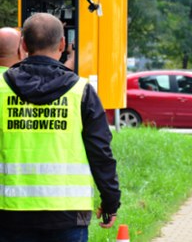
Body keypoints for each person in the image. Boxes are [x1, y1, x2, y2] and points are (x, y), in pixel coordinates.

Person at [0, 13, 121, 242]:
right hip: (67, 213)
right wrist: (110, 201)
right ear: (63, 44)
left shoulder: (1, 89)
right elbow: (100, 152)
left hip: (10, 212)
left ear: (23, 44)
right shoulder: (81, 92)